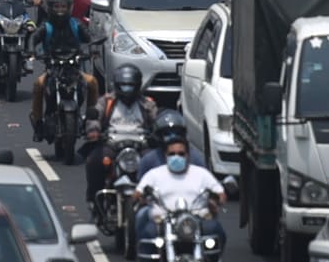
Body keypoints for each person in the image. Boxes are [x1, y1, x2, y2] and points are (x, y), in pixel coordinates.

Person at [133, 132, 226, 262]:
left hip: (196, 220)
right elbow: (138, 193)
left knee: (214, 229)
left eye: (181, 154)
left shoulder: (201, 174)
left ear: (188, 155)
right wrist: (142, 196)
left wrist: (215, 200)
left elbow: (220, 193)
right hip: (162, 220)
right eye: (172, 154)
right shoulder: (154, 175)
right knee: (148, 234)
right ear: (165, 155)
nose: (176, 157)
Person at [30, 0, 98, 141]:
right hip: (53, 70)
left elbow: (89, 38)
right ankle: (38, 123)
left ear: (69, 7)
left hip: (74, 69)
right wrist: (31, 50)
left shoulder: (76, 24)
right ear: (50, 7)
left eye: (63, 7)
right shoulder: (46, 26)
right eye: (56, 7)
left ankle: (91, 122)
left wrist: (92, 50)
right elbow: (33, 37)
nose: (60, 10)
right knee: (38, 85)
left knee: (92, 83)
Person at [85, 64, 157, 208]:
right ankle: (94, 198)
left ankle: (156, 200)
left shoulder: (147, 104)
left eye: (131, 86)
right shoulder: (106, 101)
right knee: (93, 161)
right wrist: (93, 130)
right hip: (112, 144)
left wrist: (160, 133)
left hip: (140, 145)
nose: (127, 90)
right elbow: (95, 117)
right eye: (124, 86)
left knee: (156, 164)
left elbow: (157, 121)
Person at [137, 110, 208, 177]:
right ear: (158, 136)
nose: (173, 137)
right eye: (166, 133)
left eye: (177, 132)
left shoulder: (195, 158)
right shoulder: (148, 161)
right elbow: (140, 185)